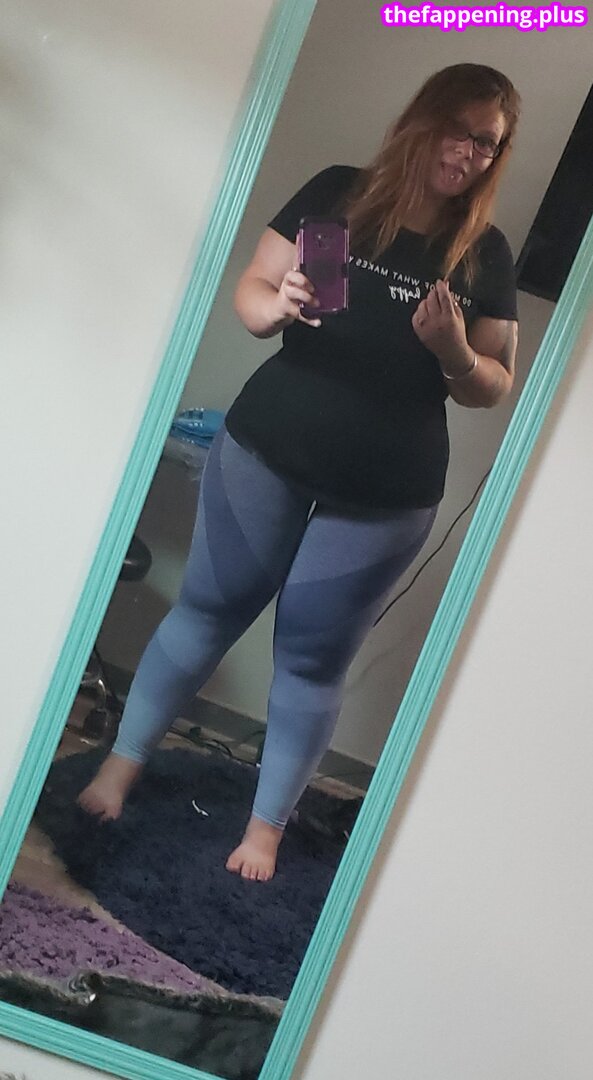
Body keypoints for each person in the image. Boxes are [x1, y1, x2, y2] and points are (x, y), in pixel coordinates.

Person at [79, 63, 520, 881]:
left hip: (385, 494)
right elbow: (250, 295)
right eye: (455, 130)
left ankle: (264, 832)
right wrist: (278, 304)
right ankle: (119, 766)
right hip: (266, 449)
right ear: (420, 121)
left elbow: (493, 385)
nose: (466, 152)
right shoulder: (338, 194)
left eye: (486, 142)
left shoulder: (482, 253)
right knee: (206, 612)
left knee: (312, 661)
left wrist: (455, 352)